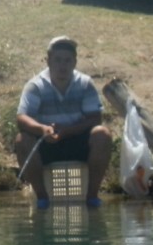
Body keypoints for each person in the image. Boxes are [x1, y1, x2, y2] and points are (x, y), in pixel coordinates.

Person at [15, 35, 112, 208]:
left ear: (74, 62)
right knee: (22, 140)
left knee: (102, 134)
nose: (62, 66)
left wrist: (67, 130)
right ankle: (42, 198)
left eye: (67, 61)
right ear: (48, 61)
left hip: (77, 140)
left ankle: (92, 197)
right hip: (46, 142)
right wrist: (42, 129)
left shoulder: (84, 83)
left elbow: (95, 118)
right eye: (58, 60)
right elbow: (22, 118)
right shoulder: (36, 86)